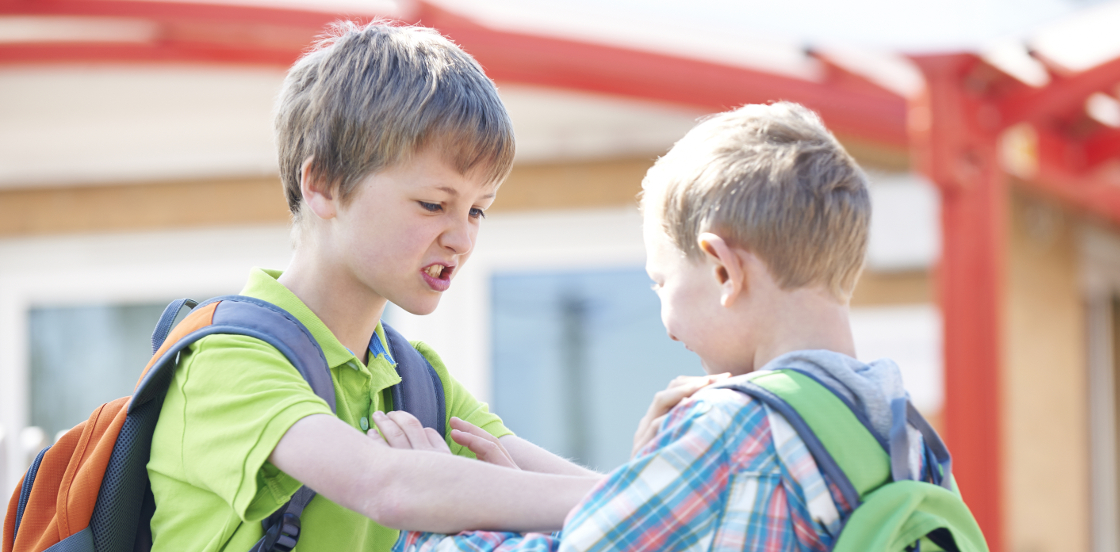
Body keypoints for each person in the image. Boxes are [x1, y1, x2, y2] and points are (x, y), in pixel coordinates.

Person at [145, 21, 601, 552]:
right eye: (433, 204)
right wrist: (518, 498)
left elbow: (582, 492)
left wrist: (676, 488)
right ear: (324, 185)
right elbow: (383, 484)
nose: (461, 238)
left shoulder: (414, 381)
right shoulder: (227, 359)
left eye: (477, 209)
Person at [396, 101, 933, 551]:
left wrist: (440, 505)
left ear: (723, 269)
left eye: (662, 283)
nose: (668, 327)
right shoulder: (903, 433)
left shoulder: (731, 430)